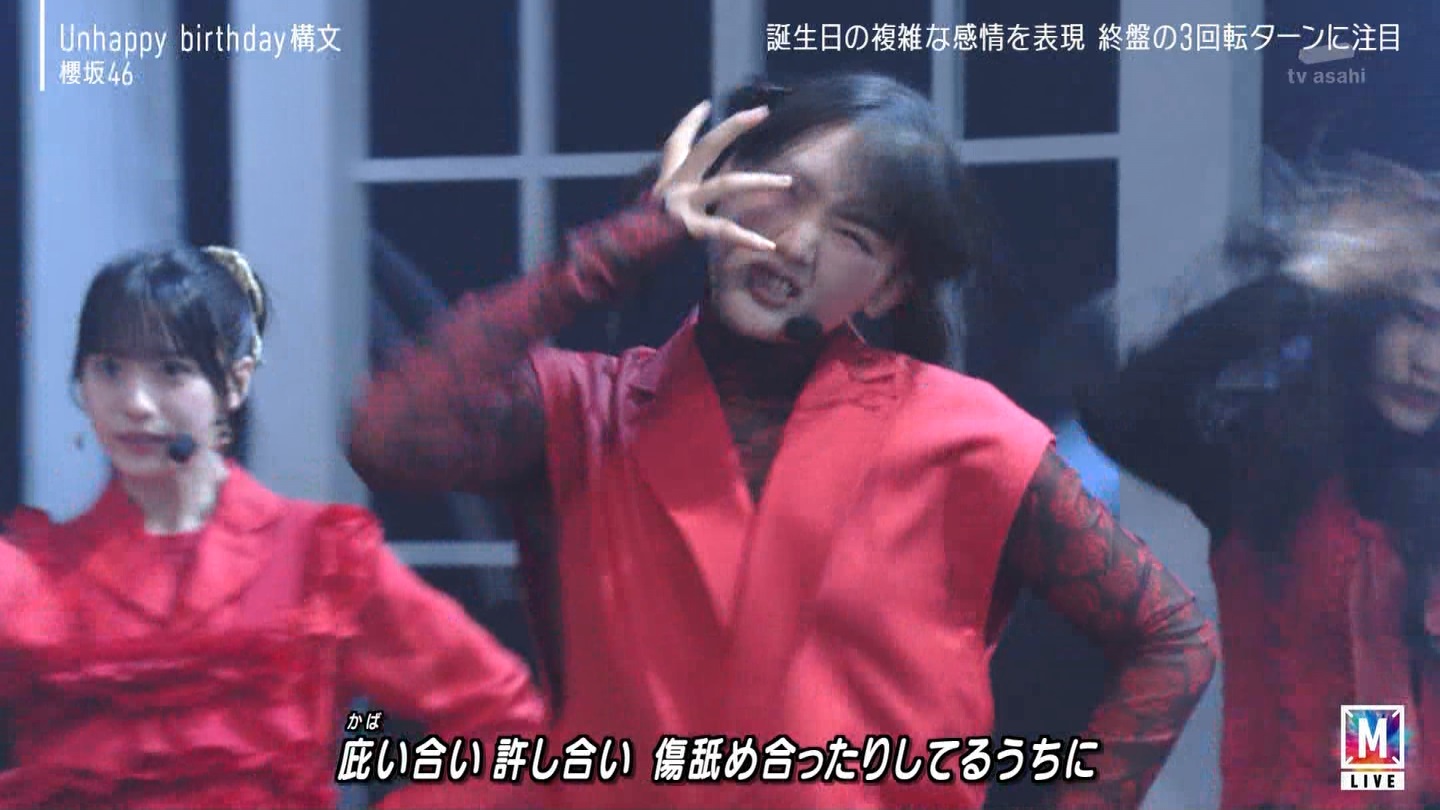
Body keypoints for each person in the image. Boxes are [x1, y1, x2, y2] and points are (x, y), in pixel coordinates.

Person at [347, 72, 1218, 809]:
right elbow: (389, 434)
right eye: (783, 191)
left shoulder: (966, 436)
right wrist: (620, 246)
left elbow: (1173, 638)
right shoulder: (586, 408)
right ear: (718, 186)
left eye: (852, 235)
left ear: (889, 287)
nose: (797, 244)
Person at [0, 245, 545, 809]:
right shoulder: (31, 576)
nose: (135, 403)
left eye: (171, 371)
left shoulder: (318, 558)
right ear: (82, 382)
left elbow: (506, 726)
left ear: (234, 383)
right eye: (110, 369)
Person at [1077, 152, 1440, 808]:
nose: (1430, 363)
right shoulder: (1277, 465)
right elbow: (1120, 412)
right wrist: (1304, 285)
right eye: (1414, 318)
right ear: (1364, 312)